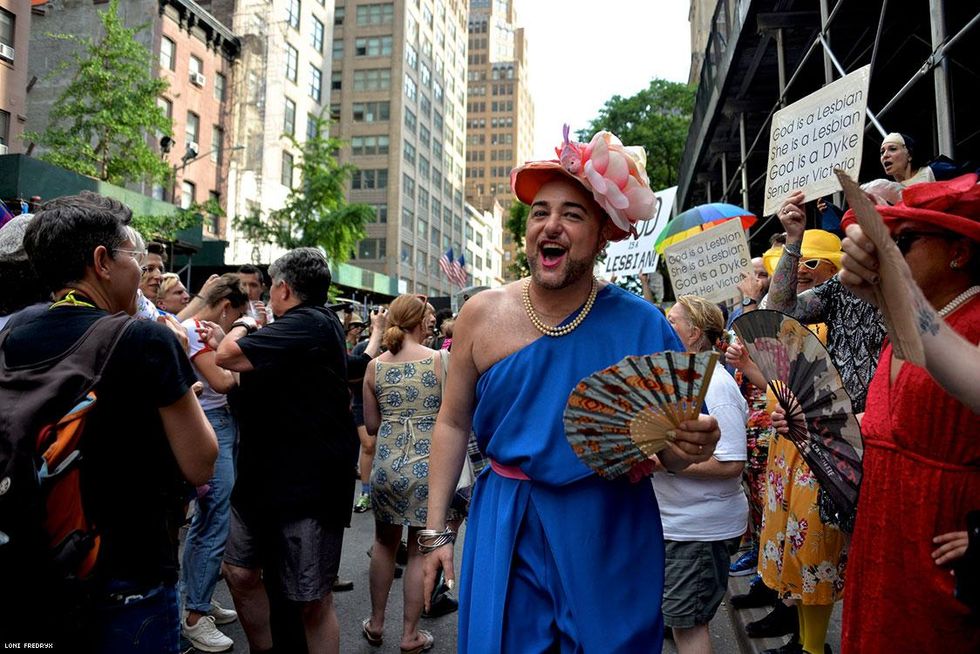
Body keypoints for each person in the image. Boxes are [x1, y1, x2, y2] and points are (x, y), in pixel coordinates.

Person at [421, 128, 722, 653]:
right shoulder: (480, 315)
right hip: (507, 522)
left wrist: (692, 445)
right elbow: (451, 422)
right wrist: (434, 533)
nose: (551, 225)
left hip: (610, 528)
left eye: (572, 214)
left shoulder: (644, 326)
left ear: (602, 233)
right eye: (540, 212)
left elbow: (668, 450)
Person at [1, 191, 217, 651]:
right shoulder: (145, 339)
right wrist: (179, 366)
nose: (141, 271)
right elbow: (201, 463)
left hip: (33, 573)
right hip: (128, 579)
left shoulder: (11, 333)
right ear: (101, 261)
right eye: (134, 256)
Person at [831, 173, 980, 653]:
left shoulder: (975, 323)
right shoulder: (898, 325)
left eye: (905, 240)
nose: (886, 253)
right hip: (885, 541)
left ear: (959, 251)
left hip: (939, 555)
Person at [215, 247, 358, 654]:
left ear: (282, 288)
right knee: (239, 572)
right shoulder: (291, 331)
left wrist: (243, 322)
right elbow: (234, 381)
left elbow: (227, 356)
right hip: (261, 479)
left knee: (312, 597)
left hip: (308, 486)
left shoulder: (310, 322)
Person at [727, 235, 847, 654]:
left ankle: (814, 647)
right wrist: (748, 367)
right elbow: (782, 389)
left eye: (812, 264)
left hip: (816, 454)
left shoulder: (835, 325)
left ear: (834, 270)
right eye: (796, 263)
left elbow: (822, 398)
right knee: (791, 547)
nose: (800, 271)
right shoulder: (795, 324)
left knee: (814, 550)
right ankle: (800, 638)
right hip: (786, 450)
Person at [659, 296, 748, 653]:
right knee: (680, 623)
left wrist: (662, 462)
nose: (663, 328)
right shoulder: (685, 376)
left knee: (689, 627)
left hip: (698, 530)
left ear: (694, 334)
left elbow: (732, 463)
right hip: (678, 525)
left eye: (672, 321)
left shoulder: (715, 385)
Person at [360, 294, 447, 653]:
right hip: (428, 467)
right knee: (416, 551)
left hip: (386, 467)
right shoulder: (441, 361)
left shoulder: (374, 367)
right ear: (417, 321)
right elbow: (455, 417)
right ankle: (409, 635)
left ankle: (376, 623)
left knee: (384, 544)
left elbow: (371, 424)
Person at [179, 274, 249, 652]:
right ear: (226, 308)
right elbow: (221, 381)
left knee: (207, 518)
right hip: (212, 427)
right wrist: (242, 368)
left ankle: (194, 598)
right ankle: (194, 614)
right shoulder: (198, 328)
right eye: (235, 315)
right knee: (215, 519)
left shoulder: (194, 326)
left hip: (218, 425)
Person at [765, 192, 885, 414]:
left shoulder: (910, 286)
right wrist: (793, 240)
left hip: (887, 426)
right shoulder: (840, 287)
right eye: (851, 237)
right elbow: (780, 310)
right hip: (844, 429)